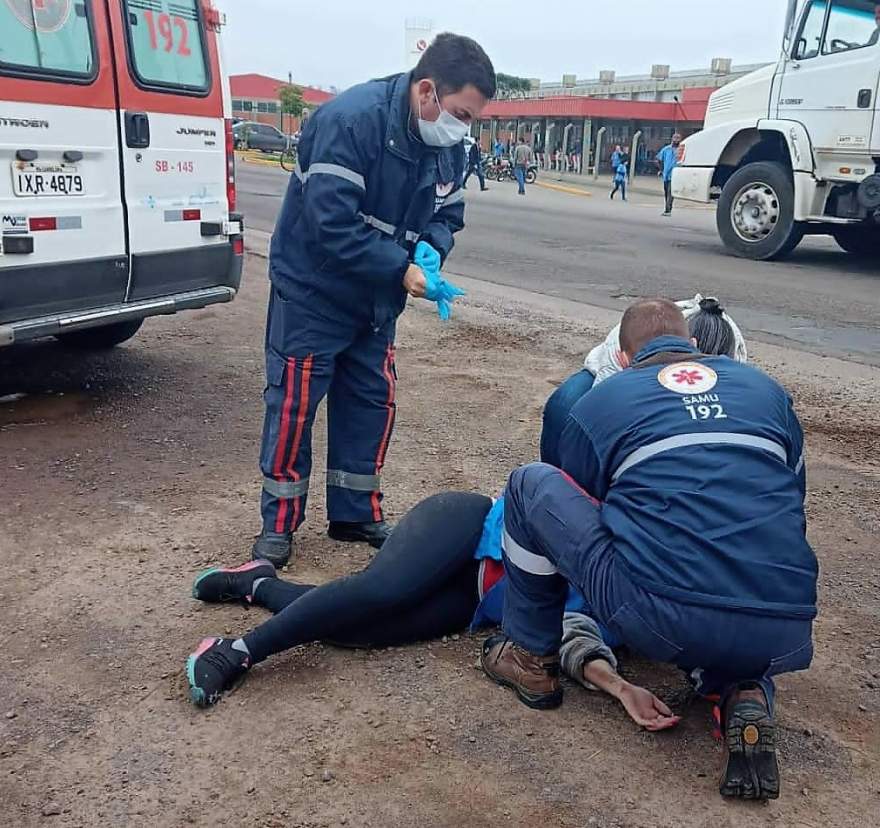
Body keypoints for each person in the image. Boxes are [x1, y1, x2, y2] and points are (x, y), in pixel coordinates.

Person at [483, 298, 817, 801]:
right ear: (696, 346)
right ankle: (745, 688)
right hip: (785, 623)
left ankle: (532, 659)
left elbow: (581, 500)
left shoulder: (601, 402)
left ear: (621, 357)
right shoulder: (765, 390)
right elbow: (792, 498)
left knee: (531, 486)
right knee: (731, 578)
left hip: (660, 616)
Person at [253, 34, 496, 568]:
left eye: (472, 119)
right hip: (314, 289)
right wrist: (400, 267)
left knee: (369, 401)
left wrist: (433, 248)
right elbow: (331, 225)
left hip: (375, 301)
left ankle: (354, 511)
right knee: (294, 406)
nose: (463, 128)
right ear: (427, 90)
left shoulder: (448, 145)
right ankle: (278, 526)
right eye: (459, 113)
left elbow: (447, 212)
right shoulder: (349, 122)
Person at [185, 492, 679, 732]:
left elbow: (573, 638)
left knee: (360, 633)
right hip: (468, 525)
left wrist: (622, 689)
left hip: (474, 597)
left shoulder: (634, 608)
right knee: (380, 590)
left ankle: (259, 582)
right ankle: (239, 650)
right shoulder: (615, 522)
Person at [541, 296, 747, 468]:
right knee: (566, 403)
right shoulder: (622, 347)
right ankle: (557, 472)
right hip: (619, 379)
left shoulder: (730, 347)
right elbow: (601, 414)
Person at [657, 133, 682, 216]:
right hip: (666, 174)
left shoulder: (681, 150)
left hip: (675, 174)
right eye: (675, 138)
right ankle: (667, 208)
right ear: (672, 139)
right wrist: (661, 169)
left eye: (678, 138)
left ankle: (668, 210)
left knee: (670, 192)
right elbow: (659, 159)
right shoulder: (666, 149)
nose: (676, 140)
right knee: (666, 192)